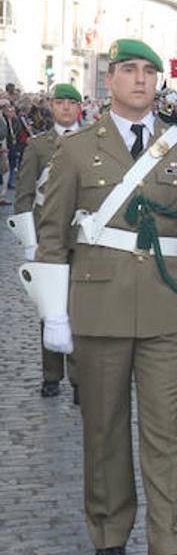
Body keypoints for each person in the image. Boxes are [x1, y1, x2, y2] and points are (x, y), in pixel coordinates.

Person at [26, 38, 177, 555]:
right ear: (110, 79)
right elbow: (51, 238)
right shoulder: (74, 151)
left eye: (150, 71)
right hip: (98, 308)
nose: (140, 79)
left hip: (167, 309)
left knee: (165, 431)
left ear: (159, 82)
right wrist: (54, 312)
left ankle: (167, 548)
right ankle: (109, 533)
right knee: (104, 428)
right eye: (129, 70)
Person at [9, 82, 83, 399]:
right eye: (60, 103)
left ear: (79, 108)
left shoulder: (93, 142)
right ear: (51, 106)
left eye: (71, 103)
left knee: (81, 308)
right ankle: (52, 375)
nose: (66, 108)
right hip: (47, 234)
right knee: (50, 306)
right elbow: (24, 196)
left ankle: (80, 379)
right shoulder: (39, 146)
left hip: (82, 235)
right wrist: (29, 242)